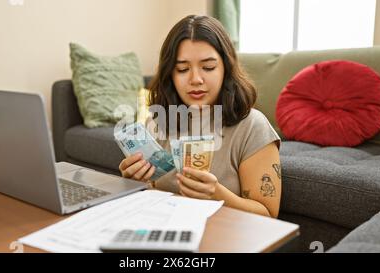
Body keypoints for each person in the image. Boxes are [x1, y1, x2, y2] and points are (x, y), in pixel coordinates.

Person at [118, 15, 281, 218]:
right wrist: (135, 184)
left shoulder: (252, 126)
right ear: (170, 74)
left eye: (208, 67)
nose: (195, 79)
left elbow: (268, 215)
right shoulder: (157, 121)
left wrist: (218, 195)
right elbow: (153, 197)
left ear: (226, 69)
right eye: (183, 69)